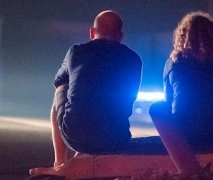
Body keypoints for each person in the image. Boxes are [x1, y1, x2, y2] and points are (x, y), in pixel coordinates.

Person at [44, 10, 143, 170]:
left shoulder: (76, 51)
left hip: (74, 137)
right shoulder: (134, 59)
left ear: (92, 33)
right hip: (117, 139)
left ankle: (60, 162)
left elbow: (59, 81)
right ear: (120, 36)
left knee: (62, 88)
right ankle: (83, 155)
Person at [149, 12, 213, 157]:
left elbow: (168, 101)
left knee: (160, 106)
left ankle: (174, 144)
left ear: (182, 36)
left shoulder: (171, 62)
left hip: (184, 133)